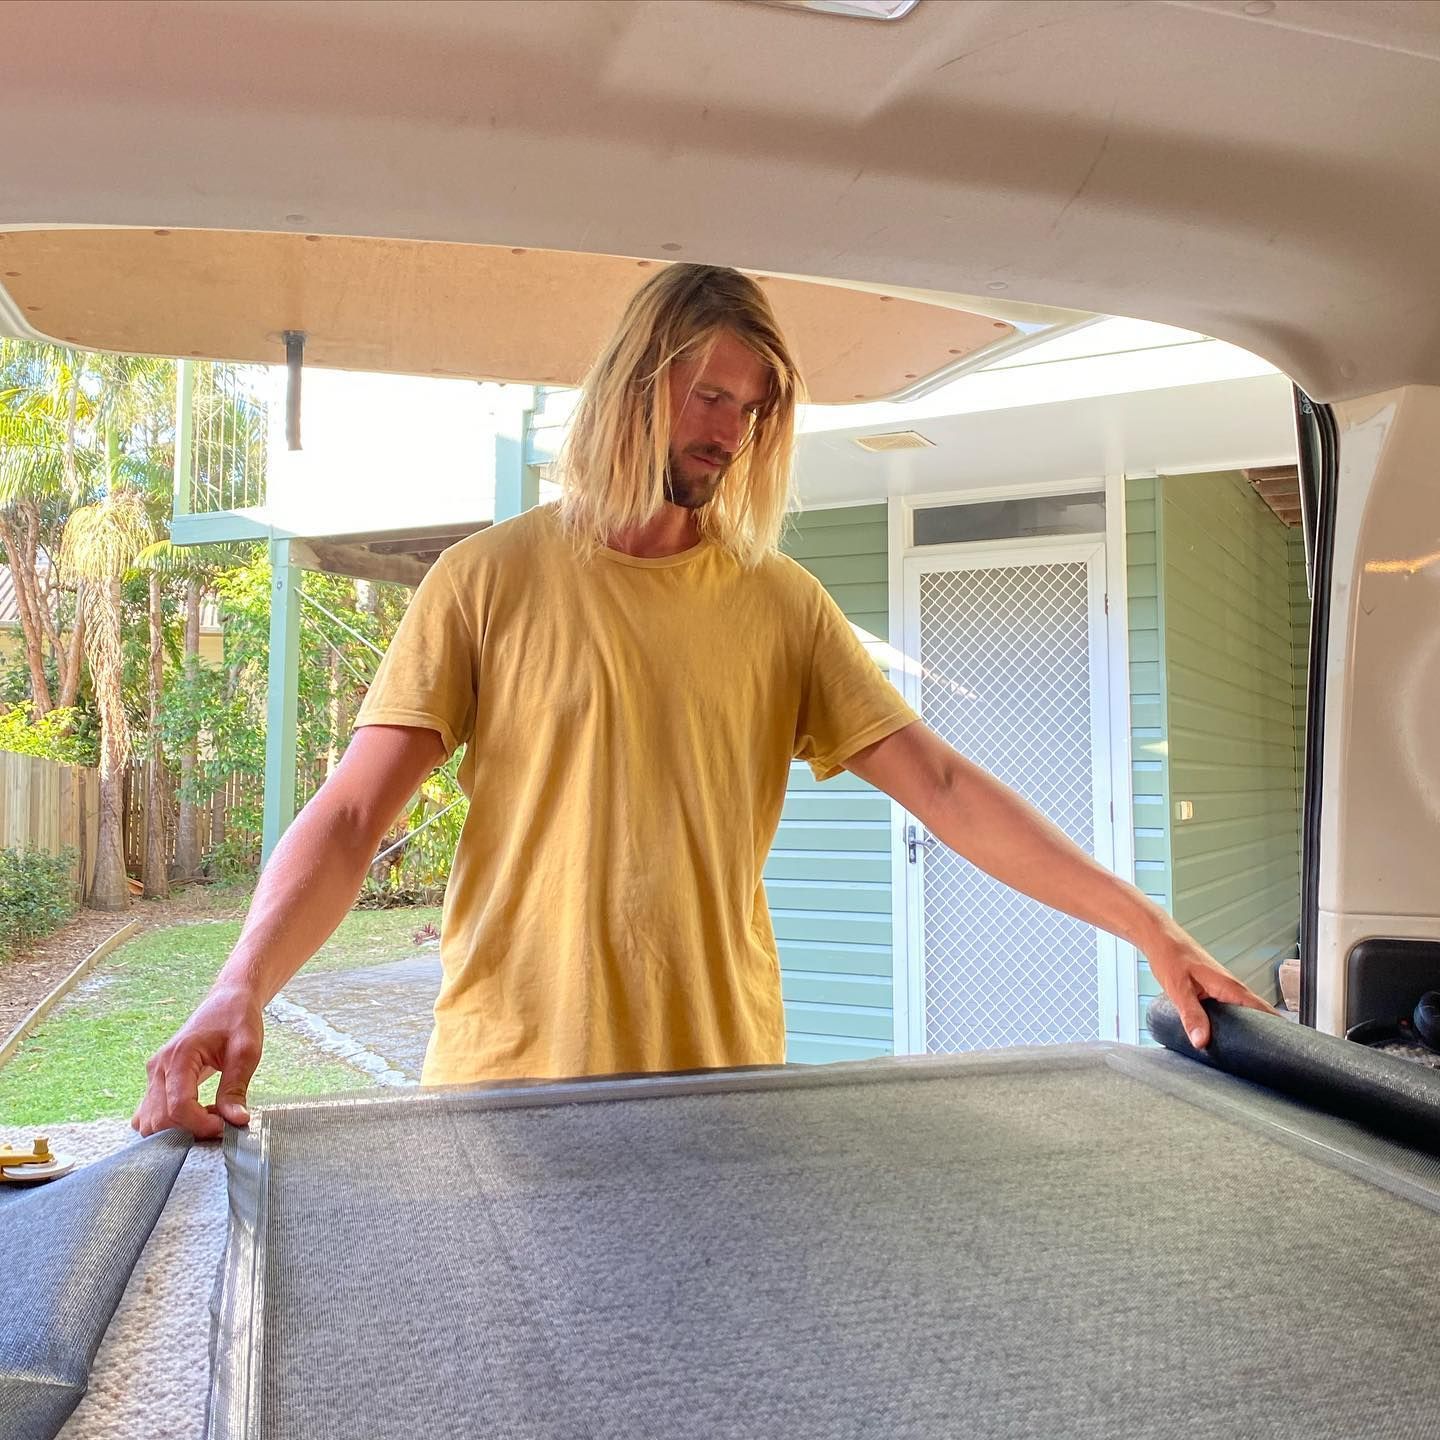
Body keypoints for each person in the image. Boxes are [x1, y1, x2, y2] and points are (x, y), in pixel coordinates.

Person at [133, 265, 1270, 1139]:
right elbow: (347, 817)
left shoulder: (782, 606)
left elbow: (944, 786)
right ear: (637, 381)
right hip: (505, 1089)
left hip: (721, 1093)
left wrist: (1148, 928)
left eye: (755, 408)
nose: (730, 431)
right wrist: (238, 985)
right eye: (711, 393)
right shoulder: (487, 579)